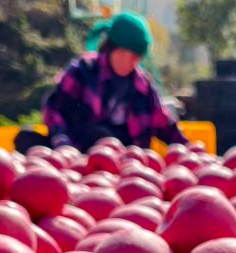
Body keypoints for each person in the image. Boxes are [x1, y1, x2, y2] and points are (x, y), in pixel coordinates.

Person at [16, 12, 187, 153]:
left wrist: (188, 150)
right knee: (26, 140)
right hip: (78, 156)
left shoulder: (143, 87)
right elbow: (54, 108)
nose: (136, 62)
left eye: (139, 57)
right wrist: (63, 145)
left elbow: (165, 125)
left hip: (125, 166)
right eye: (133, 55)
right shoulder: (82, 71)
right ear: (115, 48)